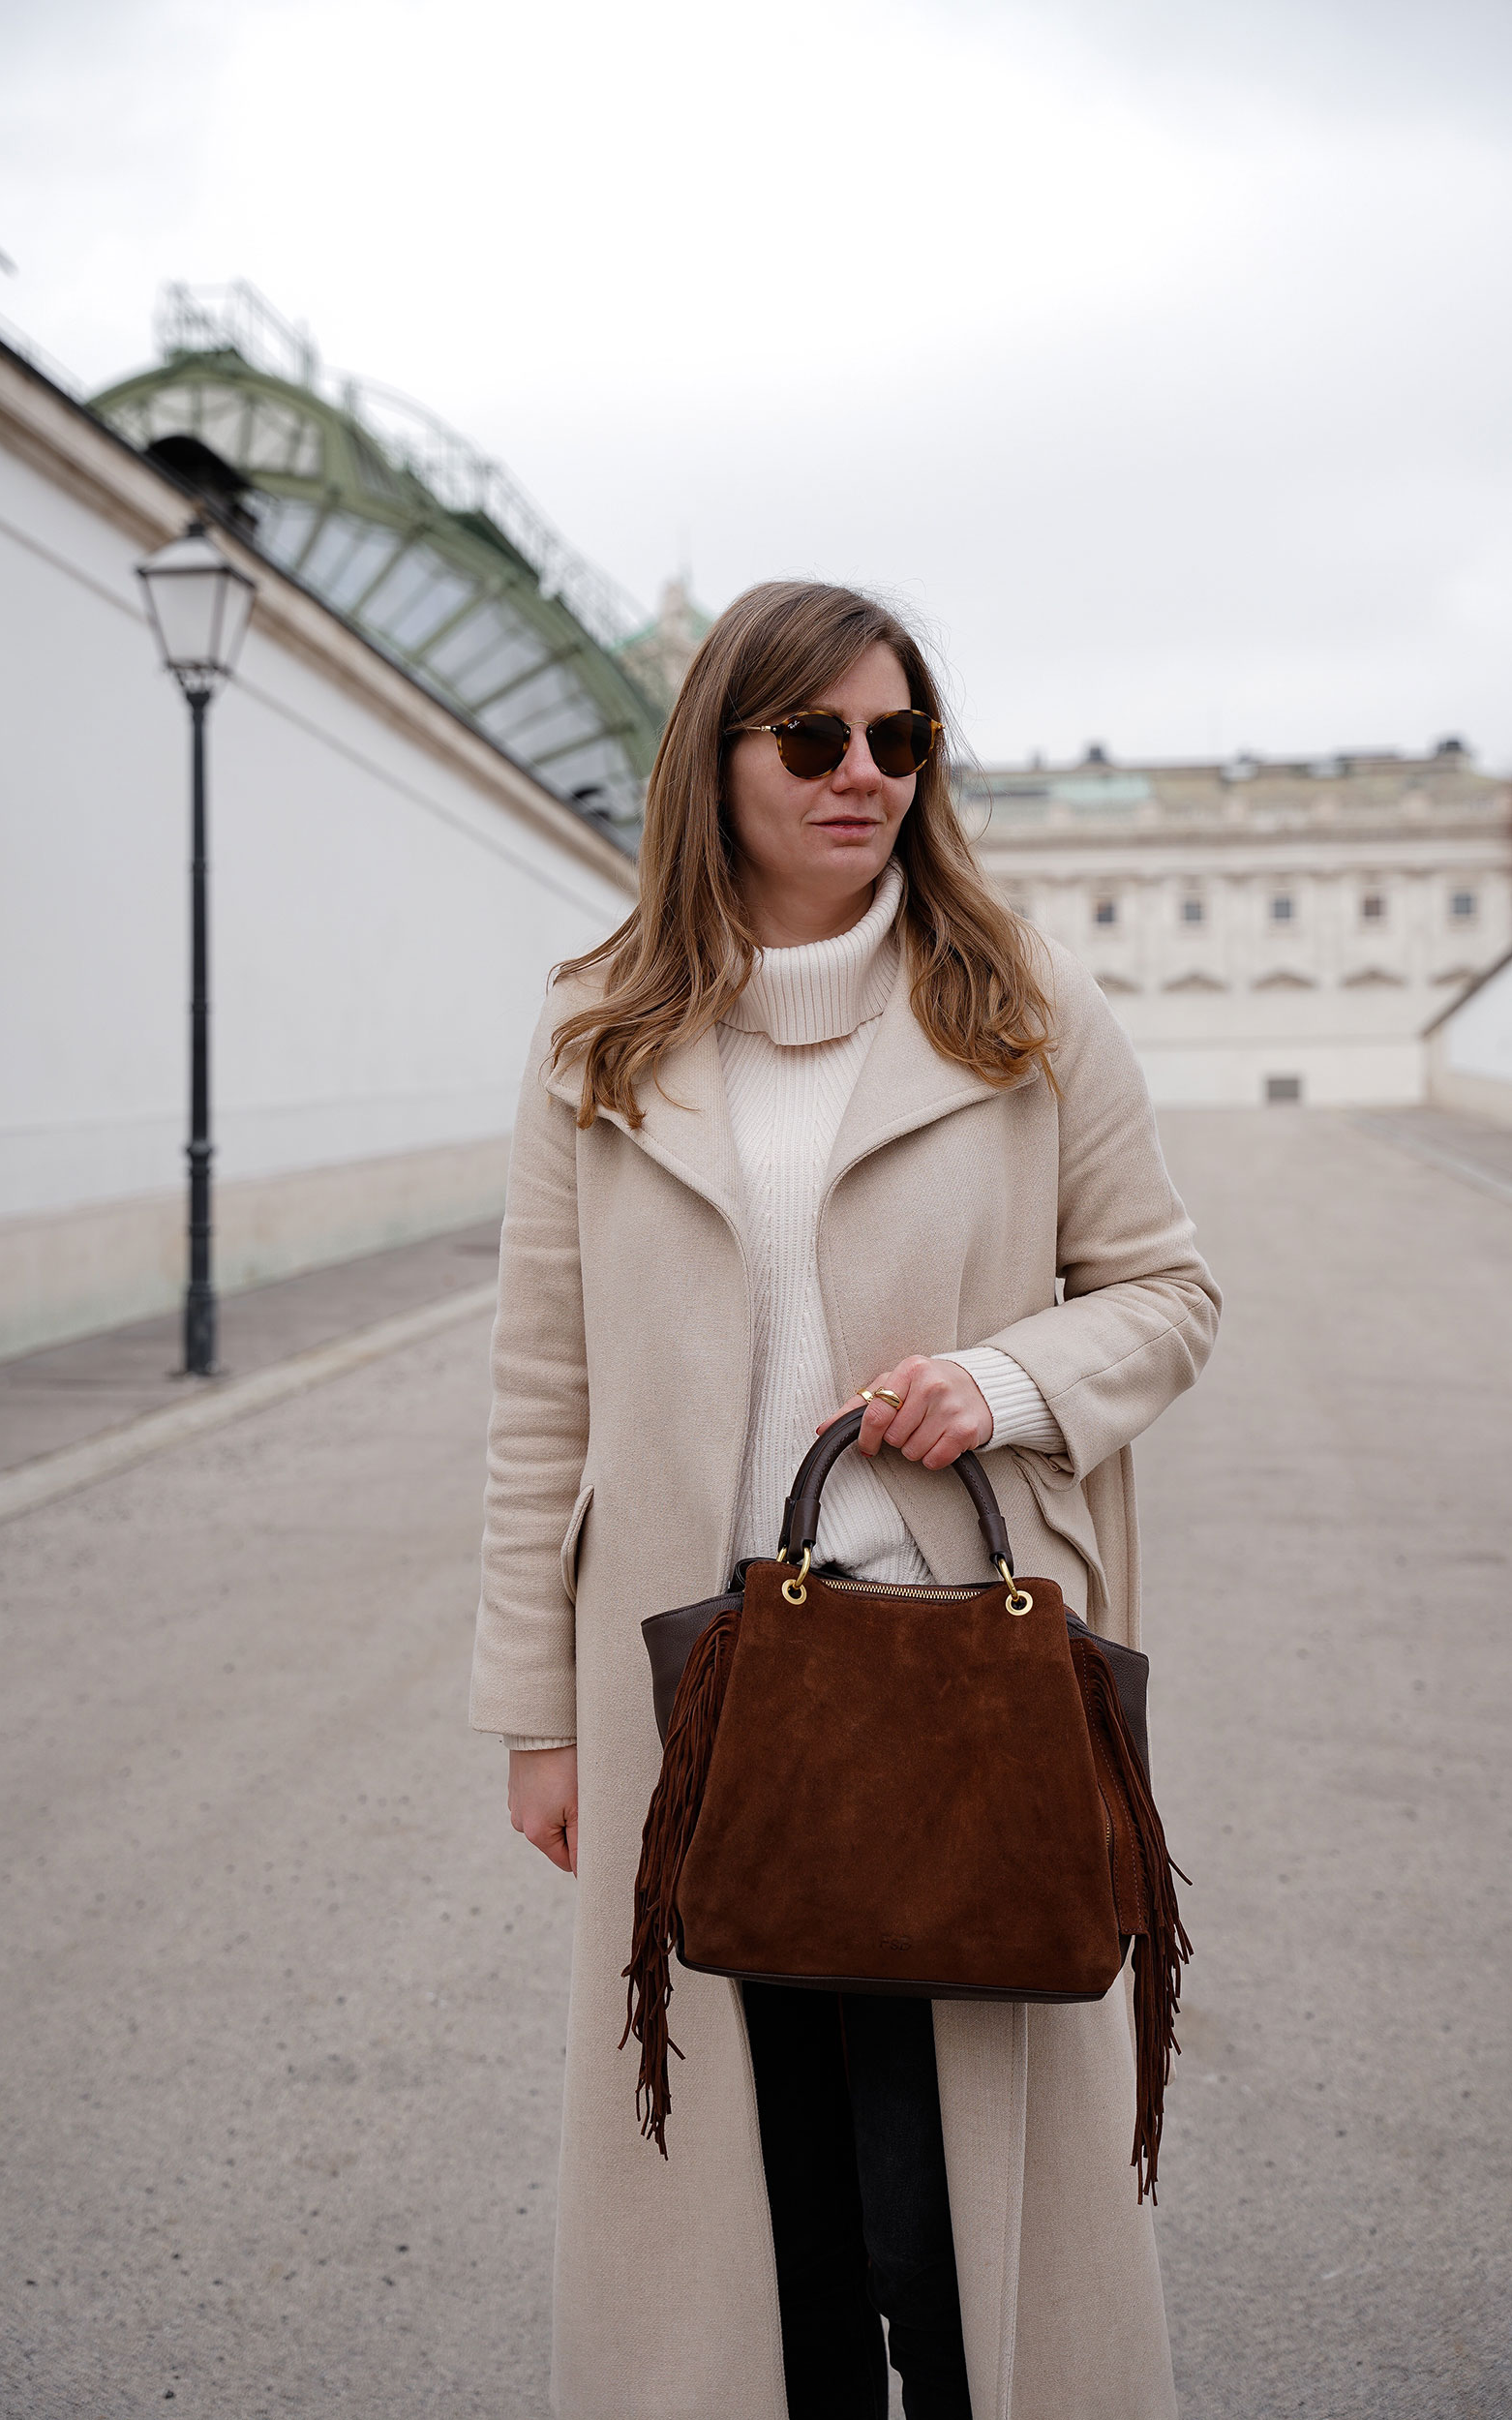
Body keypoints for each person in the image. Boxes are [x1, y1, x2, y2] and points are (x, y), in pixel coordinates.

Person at [469, 581, 1220, 2420]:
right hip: (695, 1672)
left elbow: (1167, 1291)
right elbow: (539, 1391)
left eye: (901, 740)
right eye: (814, 740)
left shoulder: (1020, 1003)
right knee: (755, 2179)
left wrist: (1005, 1380)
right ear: (717, 763)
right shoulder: (602, 1033)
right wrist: (531, 1716)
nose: (863, 774)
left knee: (949, 2197)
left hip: (958, 1662)